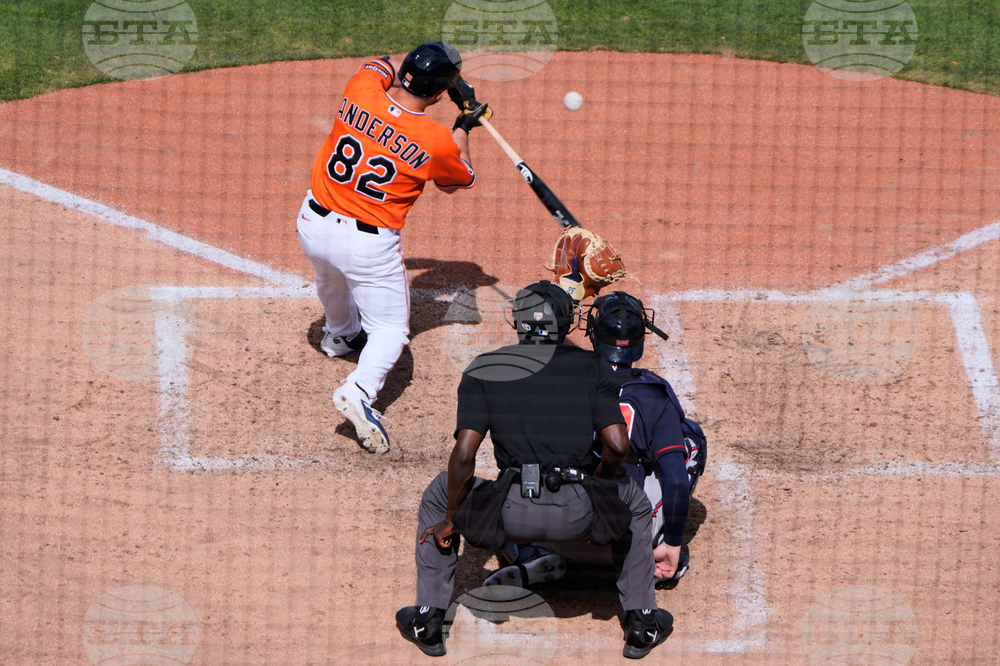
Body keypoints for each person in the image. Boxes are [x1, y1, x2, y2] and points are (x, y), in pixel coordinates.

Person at [395, 281, 674, 660]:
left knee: (441, 490)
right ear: (568, 323)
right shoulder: (594, 367)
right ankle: (642, 621)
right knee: (635, 502)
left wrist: (451, 519)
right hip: (578, 512)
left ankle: (427, 619)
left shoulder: (485, 368)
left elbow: (463, 456)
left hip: (510, 513)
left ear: (517, 321)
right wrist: (600, 487)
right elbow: (617, 446)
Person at [297, 41, 491, 453]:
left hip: (313, 223)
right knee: (389, 330)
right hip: (366, 246)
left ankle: (339, 336)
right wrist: (465, 121)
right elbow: (459, 179)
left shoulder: (361, 89)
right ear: (439, 95)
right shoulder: (435, 140)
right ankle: (359, 391)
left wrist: (436, 77)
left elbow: (380, 64)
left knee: (330, 276)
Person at [485, 291, 706, 588]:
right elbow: (676, 481)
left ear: (592, 333)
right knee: (690, 438)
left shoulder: (560, 382)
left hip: (556, 529)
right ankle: (658, 554)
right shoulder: (654, 394)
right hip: (622, 537)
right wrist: (675, 543)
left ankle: (528, 552)